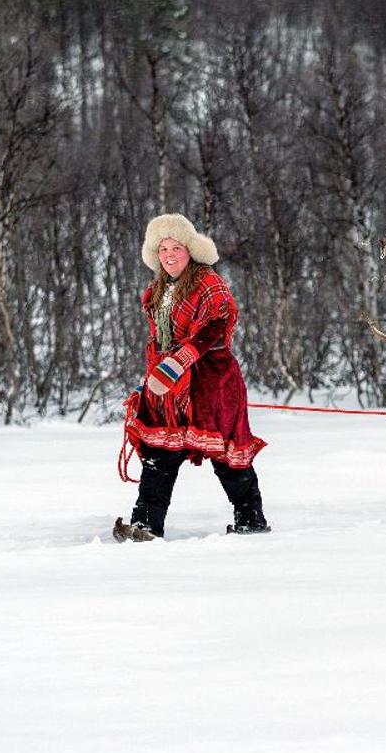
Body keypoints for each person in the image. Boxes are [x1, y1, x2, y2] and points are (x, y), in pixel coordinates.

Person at [119, 213, 270, 539]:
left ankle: (251, 521)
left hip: (211, 381)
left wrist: (179, 361)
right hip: (169, 385)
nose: (169, 255)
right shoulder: (158, 289)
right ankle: (145, 525)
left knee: (227, 456)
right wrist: (155, 374)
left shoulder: (208, 283)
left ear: (190, 250)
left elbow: (217, 326)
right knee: (161, 452)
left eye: (176, 247)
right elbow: (160, 339)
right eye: (162, 250)